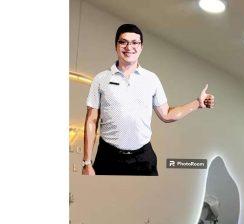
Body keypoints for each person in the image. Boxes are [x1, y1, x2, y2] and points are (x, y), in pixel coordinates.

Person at [82, 23, 216, 176]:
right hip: (108, 157)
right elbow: (91, 120)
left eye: (134, 42)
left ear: (141, 47)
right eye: (123, 42)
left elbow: (166, 114)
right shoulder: (101, 79)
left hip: (143, 159)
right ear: (116, 46)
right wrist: (86, 162)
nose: (129, 47)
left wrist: (197, 103)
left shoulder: (151, 79)